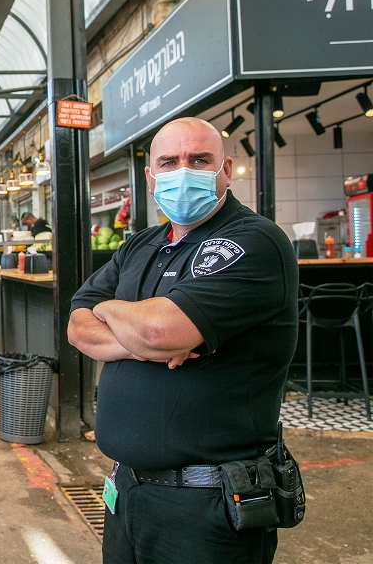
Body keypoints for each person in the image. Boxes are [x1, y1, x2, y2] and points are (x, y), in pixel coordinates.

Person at [68, 118, 298, 564]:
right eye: (169, 162)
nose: (183, 171)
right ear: (151, 177)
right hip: (127, 493)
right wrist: (141, 338)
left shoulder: (254, 241)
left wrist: (114, 311)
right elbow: (78, 326)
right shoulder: (141, 245)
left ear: (226, 170)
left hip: (206, 506)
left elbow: (162, 330)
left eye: (199, 160)